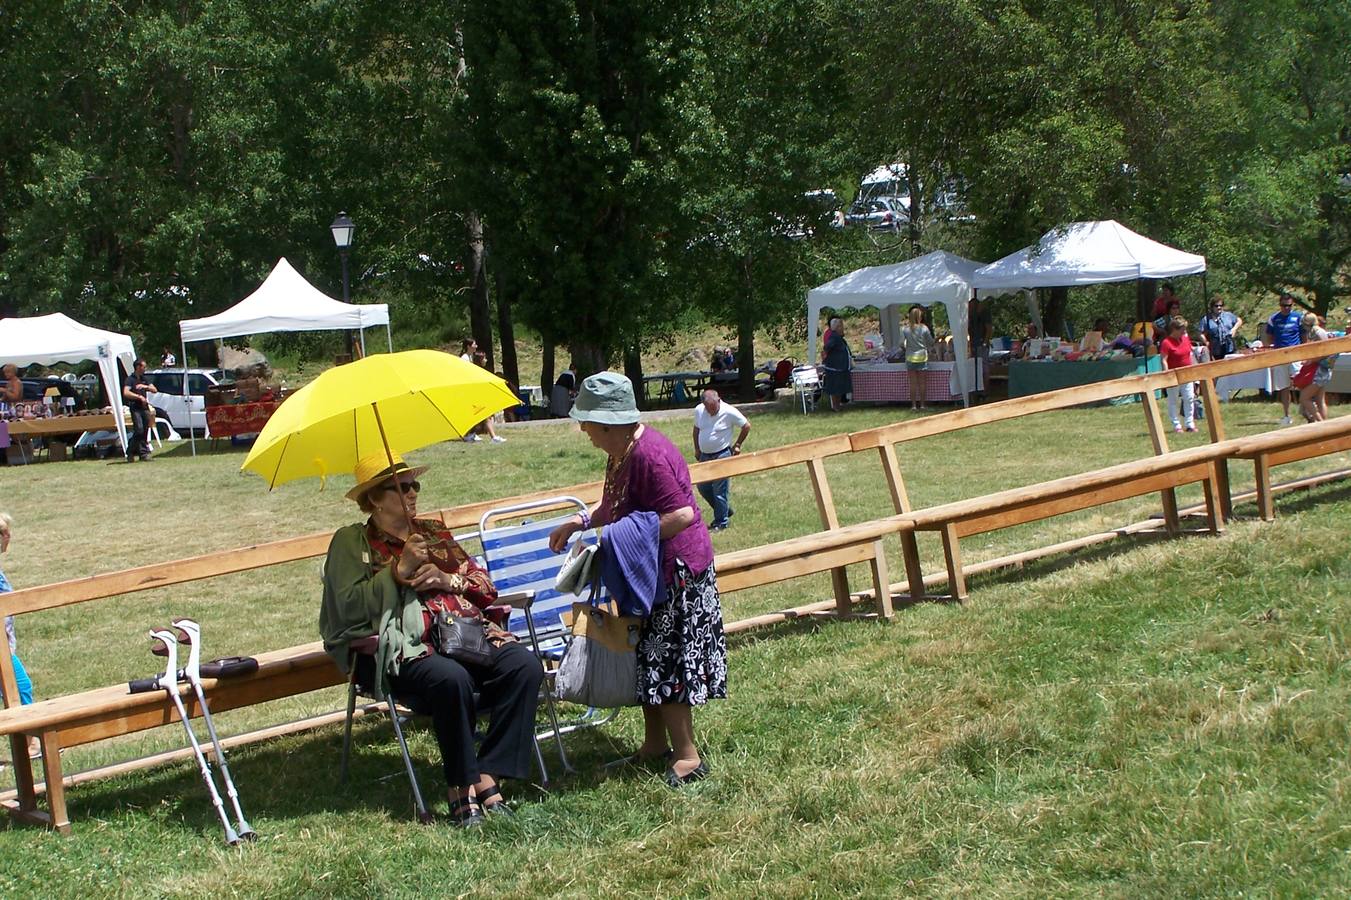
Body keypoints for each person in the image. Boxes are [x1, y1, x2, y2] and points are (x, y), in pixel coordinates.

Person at [319, 452, 543, 826]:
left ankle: (489, 772)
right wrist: (397, 570)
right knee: (450, 678)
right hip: (403, 651)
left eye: (414, 485)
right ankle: (460, 786)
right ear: (374, 498)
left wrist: (446, 579)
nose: (412, 493)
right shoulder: (352, 543)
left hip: (465, 636)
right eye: (401, 487)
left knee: (524, 666)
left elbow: (484, 587)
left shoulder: (434, 532)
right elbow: (347, 607)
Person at [547, 373, 726, 787]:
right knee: (646, 656)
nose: (583, 431)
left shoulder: (649, 454)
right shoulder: (621, 451)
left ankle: (688, 758)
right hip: (647, 572)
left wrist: (617, 538)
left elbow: (682, 515)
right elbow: (613, 503)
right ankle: (653, 745)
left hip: (676, 574)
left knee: (668, 662)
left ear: (608, 423)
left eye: (586, 422)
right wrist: (579, 522)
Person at [0, 512, 40, 761]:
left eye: (6, 531)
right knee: (21, 687)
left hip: (5, 646)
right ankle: (32, 744)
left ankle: (31, 743)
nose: (7, 537)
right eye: (1, 532)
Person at [691, 389, 750, 532]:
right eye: (708, 409)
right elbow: (696, 430)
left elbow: (746, 425)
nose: (711, 411)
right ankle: (725, 510)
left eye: (714, 408)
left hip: (722, 454)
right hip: (705, 455)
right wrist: (697, 449)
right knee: (703, 487)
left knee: (719, 490)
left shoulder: (729, 411)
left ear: (719, 401)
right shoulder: (699, 411)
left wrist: (737, 445)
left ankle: (721, 522)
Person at [1264, 293, 1304, 425]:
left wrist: (1304, 353)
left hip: (1296, 354)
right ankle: (1286, 415)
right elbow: (1269, 337)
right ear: (1280, 305)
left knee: (1302, 382)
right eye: (1283, 305)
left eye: (1289, 305)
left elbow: (1304, 336)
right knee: (1284, 386)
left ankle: (1306, 409)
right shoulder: (1274, 318)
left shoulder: (1298, 317)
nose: (1286, 308)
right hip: (1280, 355)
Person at [1159, 316, 1197, 432]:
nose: (1185, 332)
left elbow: (1190, 353)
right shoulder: (1166, 342)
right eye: (1182, 329)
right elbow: (1164, 359)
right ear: (1175, 330)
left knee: (1189, 397)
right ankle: (1176, 425)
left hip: (1187, 372)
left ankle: (1190, 424)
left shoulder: (1185, 338)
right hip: (1173, 374)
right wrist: (1167, 374)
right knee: (1173, 399)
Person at [1297, 313, 1333, 423]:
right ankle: (1324, 425)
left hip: (1320, 370)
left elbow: (1326, 352)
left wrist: (1311, 361)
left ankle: (1320, 423)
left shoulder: (1318, 332)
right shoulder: (1312, 332)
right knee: (1319, 400)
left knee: (1304, 398)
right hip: (1319, 369)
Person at [464, 351, 505, 443]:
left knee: (482, 417)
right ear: (479, 360)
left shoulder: (478, 370)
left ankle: (470, 434)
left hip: (478, 397)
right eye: (484, 358)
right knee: (487, 416)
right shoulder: (475, 371)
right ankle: (493, 437)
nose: (486, 360)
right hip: (476, 397)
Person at [121, 358, 157, 462]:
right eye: (144, 367)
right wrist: (138, 397)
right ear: (138, 367)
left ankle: (143, 454)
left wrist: (145, 386)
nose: (145, 369)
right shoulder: (130, 379)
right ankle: (130, 451)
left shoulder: (144, 379)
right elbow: (126, 392)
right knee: (139, 429)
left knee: (145, 430)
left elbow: (154, 390)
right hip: (135, 408)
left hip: (145, 408)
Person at [900, 307, 935, 411]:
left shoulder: (905, 329)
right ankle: (923, 404)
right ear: (919, 317)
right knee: (922, 383)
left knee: (913, 383)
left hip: (910, 357)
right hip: (922, 356)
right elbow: (931, 342)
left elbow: (901, 344)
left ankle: (914, 405)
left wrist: (906, 348)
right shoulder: (924, 328)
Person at [821, 316, 852, 412]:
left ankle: (838, 405)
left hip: (840, 367)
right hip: (834, 367)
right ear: (836, 327)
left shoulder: (839, 337)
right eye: (841, 326)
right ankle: (835, 406)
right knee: (835, 388)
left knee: (839, 388)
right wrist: (826, 357)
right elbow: (827, 347)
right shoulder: (834, 337)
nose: (842, 328)